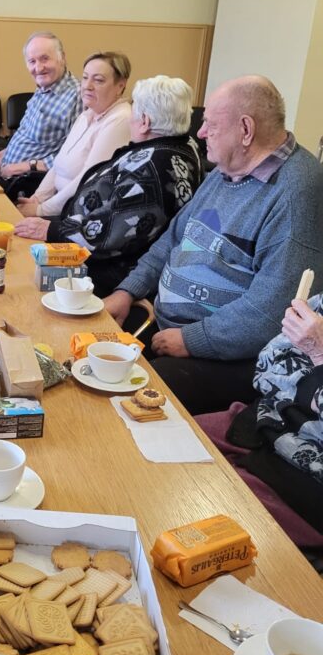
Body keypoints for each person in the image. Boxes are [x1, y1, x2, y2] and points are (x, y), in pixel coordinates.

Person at [103, 75, 323, 414]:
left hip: (235, 355)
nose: (201, 133)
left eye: (210, 124)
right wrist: (128, 290)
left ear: (245, 130)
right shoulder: (227, 170)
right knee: (96, 344)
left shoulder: (297, 194)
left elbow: (270, 312)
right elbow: (173, 239)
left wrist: (192, 340)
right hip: (170, 324)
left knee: (141, 398)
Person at [16, 76, 201, 296]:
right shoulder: (183, 145)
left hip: (105, 268)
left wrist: (51, 229)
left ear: (144, 121)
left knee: (19, 273)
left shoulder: (153, 169)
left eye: (134, 113)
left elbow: (108, 234)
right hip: (85, 237)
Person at [196, 295, 323, 550]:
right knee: (168, 439)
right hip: (273, 419)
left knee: (208, 511)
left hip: (308, 477)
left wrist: (319, 355)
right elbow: (268, 365)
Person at [17, 51, 132, 218]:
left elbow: (87, 179)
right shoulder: (87, 114)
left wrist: (41, 210)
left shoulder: (120, 119)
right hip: (56, 205)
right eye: (85, 78)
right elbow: (57, 165)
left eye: (98, 80)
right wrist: (36, 199)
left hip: (77, 214)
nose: (87, 86)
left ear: (120, 85)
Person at [0, 31, 82, 201]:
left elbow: (74, 158)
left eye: (45, 59)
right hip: (7, 173)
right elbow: (30, 137)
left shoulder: (77, 96)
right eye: (32, 61)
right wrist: (6, 152)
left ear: (62, 58)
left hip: (28, 188)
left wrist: (24, 166)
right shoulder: (43, 88)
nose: (38, 68)